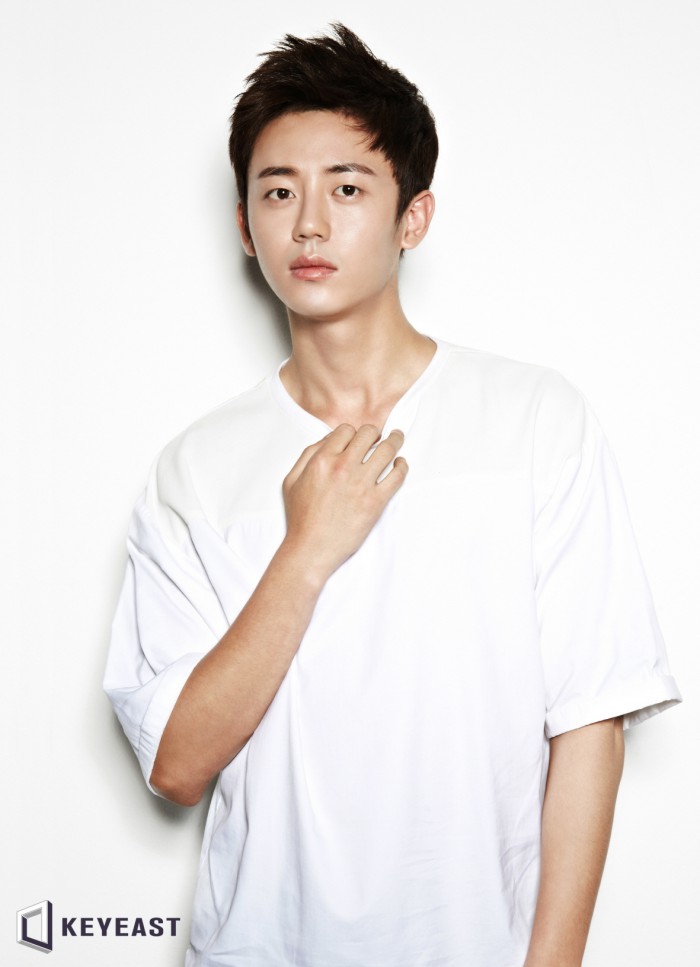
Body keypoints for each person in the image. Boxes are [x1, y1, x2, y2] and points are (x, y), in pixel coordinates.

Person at [103, 23, 682, 967]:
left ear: (414, 217)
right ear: (245, 227)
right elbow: (176, 764)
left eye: (347, 188)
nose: (309, 224)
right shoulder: (196, 469)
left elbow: (590, 720)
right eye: (279, 191)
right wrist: (305, 552)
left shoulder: (534, 421)